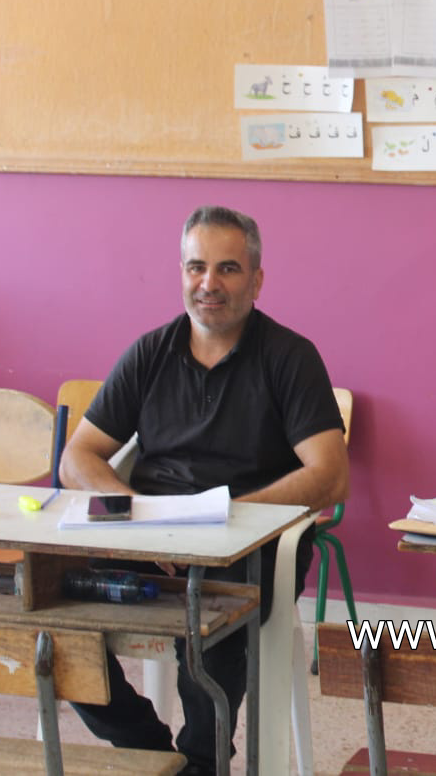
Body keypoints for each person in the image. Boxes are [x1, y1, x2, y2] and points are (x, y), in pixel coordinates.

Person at [59, 205, 349, 775]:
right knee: (53, 610)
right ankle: (152, 753)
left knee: (211, 631)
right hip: (152, 537)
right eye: (196, 267)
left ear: (257, 280)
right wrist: (141, 519)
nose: (208, 283)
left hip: (248, 544)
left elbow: (330, 476)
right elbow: (77, 459)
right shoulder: (150, 353)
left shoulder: (290, 358)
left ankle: (200, 761)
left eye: (227, 269)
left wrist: (224, 521)